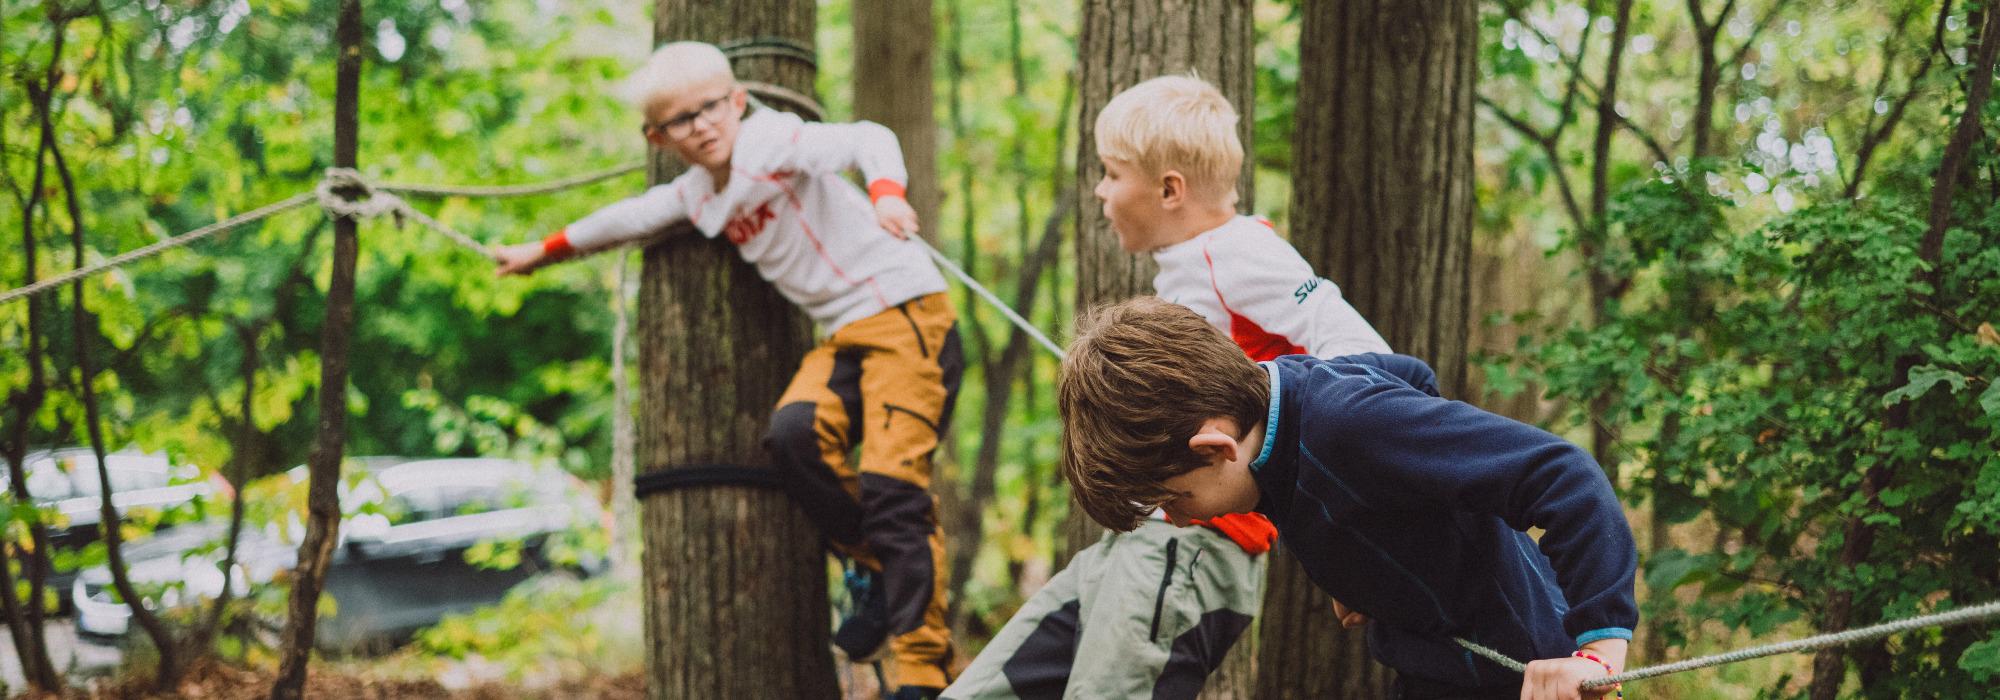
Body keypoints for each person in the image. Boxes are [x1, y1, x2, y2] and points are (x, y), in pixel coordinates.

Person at [492, 41, 958, 698]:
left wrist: (885, 194)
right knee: (795, 435)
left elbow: (866, 138)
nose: (702, 124)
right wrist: (540, 252)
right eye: (681, 119)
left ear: (737, 101)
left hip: (907, 313)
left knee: (892, 487)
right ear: (658, 135)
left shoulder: (775, 143)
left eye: (712, 107)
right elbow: (629, 218)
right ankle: (876, 565)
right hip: (847, 339)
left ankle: (922, 675)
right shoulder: (696, 193)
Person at [945, 74, 1391, 699]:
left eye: (1111, 172)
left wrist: (1346, 542)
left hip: (1193, 550)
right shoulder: (1187, 271)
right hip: (1134, 544)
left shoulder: (1240, 253)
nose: (1100, 190)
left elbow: (1367, 356)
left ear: (1169, 188)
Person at [1057, 296, 1640, 700]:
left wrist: (1598, 654)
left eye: (1173, 498)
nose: (1177, 521)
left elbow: (1565, 476)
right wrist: (1376, 562)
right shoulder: (1275, 414)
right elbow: (1408, 373)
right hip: (1431, 668)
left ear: (1214, 449)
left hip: (1526, 672)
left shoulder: (1350, 427)